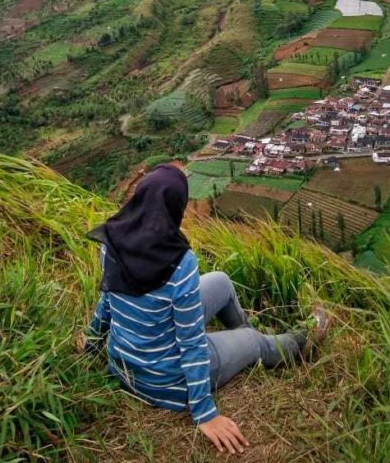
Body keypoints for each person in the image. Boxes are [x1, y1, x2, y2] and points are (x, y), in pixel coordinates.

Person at [84, 163, 330, 455]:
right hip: (167, 381)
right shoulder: (179, 262)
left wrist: (91, 343)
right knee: (252, 342)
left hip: (123, 365)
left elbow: (107, 298)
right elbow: (191, 343)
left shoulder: (112, 239)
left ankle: (245, 340)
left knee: (222, 282)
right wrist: (205, 413)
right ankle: (296, 342)